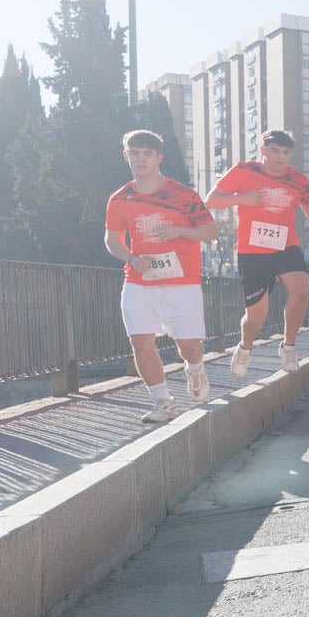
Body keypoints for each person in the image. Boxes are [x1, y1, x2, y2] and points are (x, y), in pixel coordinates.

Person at [103, 129, 219, 423]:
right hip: (138, 281)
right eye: (135, 153)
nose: (141, 159)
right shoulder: (119, 198)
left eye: (147, 154)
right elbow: (112, 239)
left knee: (188, 346)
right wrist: (131, 257)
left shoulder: (183, 195)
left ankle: (194, 369)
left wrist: (179, 230)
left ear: (158, 157)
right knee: (140, 342)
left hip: (182, 282)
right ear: (125, 156)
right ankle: (164, 403)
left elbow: (210, 231)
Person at [206, 130, 309, 377]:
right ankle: (245, 348)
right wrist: (242, 198)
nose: (280, 157)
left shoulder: (298, 180)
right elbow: (211, 200)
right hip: (253, 248)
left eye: (285, 152)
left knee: (301, 288)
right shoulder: (244, 170)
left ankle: (288, 347)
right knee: (256, 316)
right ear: (263, 151)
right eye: (275, 151)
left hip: (285, 244)